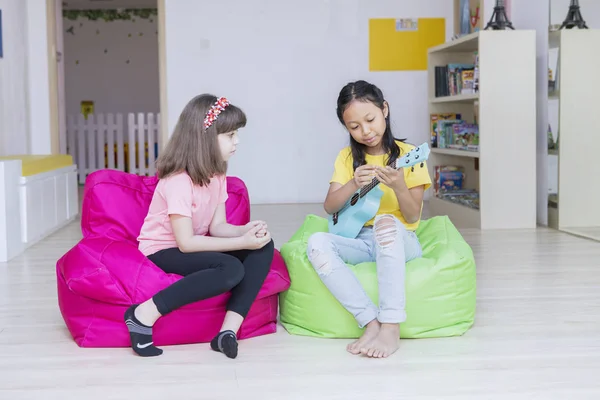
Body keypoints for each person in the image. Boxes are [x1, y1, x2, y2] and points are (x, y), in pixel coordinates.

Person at [125, 94, 274, 359]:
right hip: (163, 249)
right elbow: (186, 243)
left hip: (191, 243)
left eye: (236, 133)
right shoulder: (178, 181)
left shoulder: (217, 173)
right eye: (230, 135)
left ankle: (227, 332)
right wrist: (241, 243)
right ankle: (142, 314)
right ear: (204, 138)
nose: (236, 141)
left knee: (264, 247)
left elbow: (217, 226)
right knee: (229, 268)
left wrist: (245, 231)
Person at [307, 80, 431, 358]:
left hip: (402, 239)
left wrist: (399, 185)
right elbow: (330, 207)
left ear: (384, 109)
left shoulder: (410, 155)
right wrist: (352, 183)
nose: (366, 131)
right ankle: (370, 322)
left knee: (387, 223)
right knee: (316, 242)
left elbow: (412, 215)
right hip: (361, 239)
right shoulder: (348, 157)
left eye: (370, 119)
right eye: (354, 126)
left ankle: (390, 325)